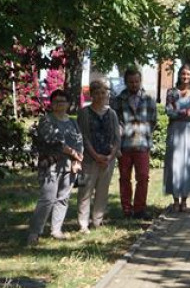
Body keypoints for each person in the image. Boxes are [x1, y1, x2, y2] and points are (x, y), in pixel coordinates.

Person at [27, 90, 84, 245]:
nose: (60, 104)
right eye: (56, 101)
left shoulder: (73, 122)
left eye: (63, 101)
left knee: (63, 199)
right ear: (51, 104)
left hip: (69, 166)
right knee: (47, 199)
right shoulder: (46, 120)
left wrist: (77, 161)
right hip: (51, 165)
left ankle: (56, 230)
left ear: (68, 104)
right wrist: (74, 154)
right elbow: (55, 140)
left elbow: (79, 141)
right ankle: (34, 233)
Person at [112, 65, 158, 219]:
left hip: (142, 144)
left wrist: (144, 134)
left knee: (143, 177)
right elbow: (115, 121)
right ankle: (126, 209)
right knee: (125, 178)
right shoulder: (118, 100)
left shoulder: (148, 99)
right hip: (124, 145)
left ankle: (139, 209)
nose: (134, 84)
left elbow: (153, 121)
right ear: (125, 82)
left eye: (136, 82)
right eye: (131, 82)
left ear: (140, 81)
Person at [76, 80, 121, 233]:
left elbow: (117, 138)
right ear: (91, 95)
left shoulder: (112, 113)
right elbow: (83, 137)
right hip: (88, 159)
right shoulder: (84, 113)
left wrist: (109, 157)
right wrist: (96, 156)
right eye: (97, 93)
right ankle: (83, 223)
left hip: (108, 160)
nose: (101, 96)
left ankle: (97, 221)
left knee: (102, 191)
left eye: (103, 92)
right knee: (84, 191)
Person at [164, 64, 190, 212]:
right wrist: (187, 112)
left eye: (188, 74)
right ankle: (175, 200)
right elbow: (169, 111)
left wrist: (183, 113)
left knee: (189, 165)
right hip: (175, 131)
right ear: (179, 75)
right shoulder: (171, 92)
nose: (185, 77)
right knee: (175, 164)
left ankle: (184, 201)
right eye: (183, 74)